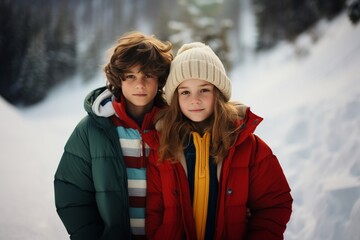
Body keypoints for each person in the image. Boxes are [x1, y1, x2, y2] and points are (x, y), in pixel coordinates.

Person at [145, 42, 293, 240]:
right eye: (185, 92)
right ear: (175, 98)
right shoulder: (163, 148)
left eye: (204, 90)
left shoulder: (247, 145)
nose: (194, 99)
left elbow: (274, 203)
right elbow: (154, 212)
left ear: (218, 93)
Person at [54, 31, 173, 240]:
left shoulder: (174, 128)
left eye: (148, 75)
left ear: (160, 79)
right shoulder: (92, 129)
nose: (140, 84)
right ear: (118, 79)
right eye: (131, 76)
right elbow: (72, 193)